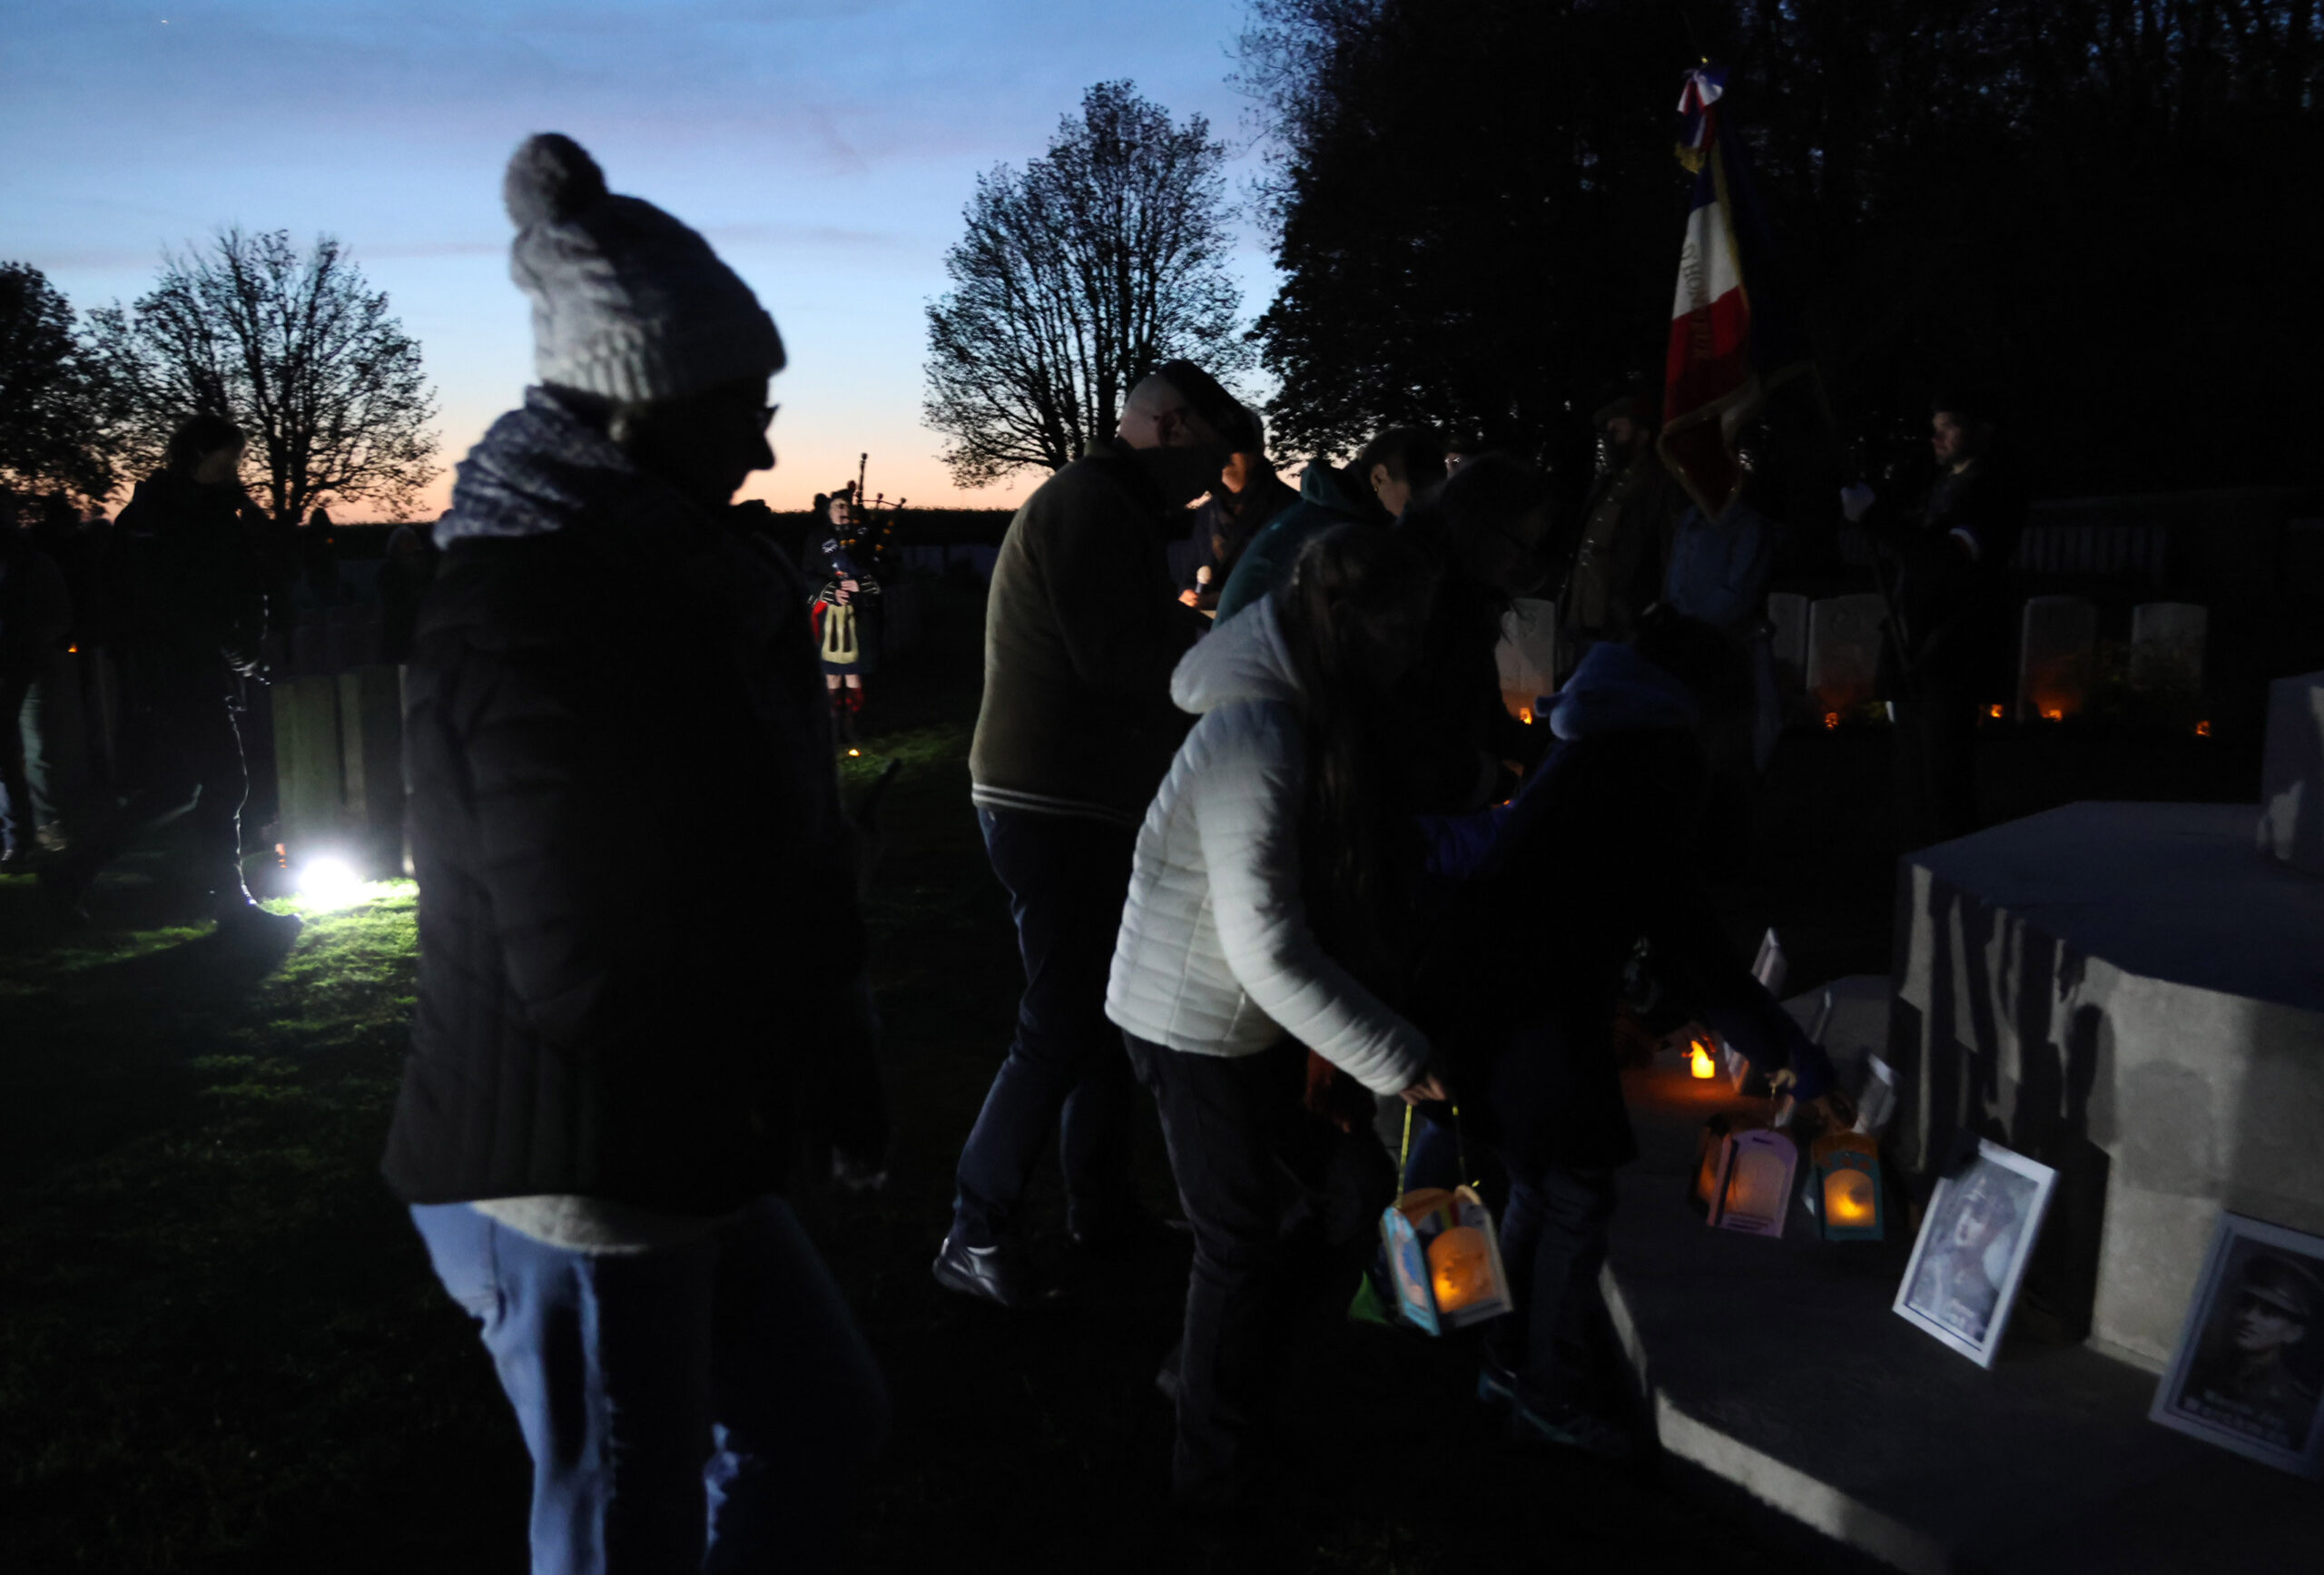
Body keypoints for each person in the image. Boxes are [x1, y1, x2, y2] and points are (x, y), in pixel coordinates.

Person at [380, 133, 886, 1574]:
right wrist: (791, 989)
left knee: (817, 1423)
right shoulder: (537, 609)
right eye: (741, 409)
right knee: (622, 1524)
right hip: (580, 1166)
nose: (766, 449)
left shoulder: (656, 579)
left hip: (674, 1133)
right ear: (638, 405)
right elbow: (591, 964)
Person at [1410, 607, 1833, 1458]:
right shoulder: (1651, 761)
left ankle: (1509, 1356)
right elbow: (1682, 931)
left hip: (1502, 994)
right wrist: (1785, 1048)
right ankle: (1549, 1382)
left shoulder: (1598, 734)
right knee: (1575, 1192)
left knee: (1541, 1185)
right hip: (1538, 999)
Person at [1107, 525, 1448, 1510]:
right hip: (1189, 1024)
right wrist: (1395, 1056)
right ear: (1345, 620)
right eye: (1401, 627)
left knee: (1345, 1191)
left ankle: (1215, 1373)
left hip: (1248, 1020)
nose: (1413, 649)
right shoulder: (1254, 735)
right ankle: (1212, 1467)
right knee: (1239, 1238)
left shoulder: (1309, 714)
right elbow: (1265, 945)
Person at [940, 359, 1250, 1307]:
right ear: (1171, 425)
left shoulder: (1107, 505)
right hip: (1049, 796)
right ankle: (974, 1229)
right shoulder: (1091, 504)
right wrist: (1226, 669)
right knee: (1063, 1017)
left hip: (1072, 794)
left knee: (1099, 1014)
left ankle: (1101, 1208)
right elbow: (1116, 660)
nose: (1209, 483)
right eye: (1210, 455)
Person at [41, 413, 293, 937]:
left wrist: (247, 637)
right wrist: (223, 641)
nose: (235, 467)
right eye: (228, 458)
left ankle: (69, 875)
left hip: (202, 666)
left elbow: (246, 582)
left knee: (174, 789)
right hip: (174, 669)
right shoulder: (152, 517)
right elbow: (155, 598)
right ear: (199, 454)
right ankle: (230, 902)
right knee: (225, 779)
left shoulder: (219, 512)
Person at [1842, 389, 2028, 849]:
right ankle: (1918, 866)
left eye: (1950, 426)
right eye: (1935, 427)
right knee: (1913, 781)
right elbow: (1913, 549)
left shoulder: (1991, 492)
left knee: (1945, 781)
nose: (1936, 437)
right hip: (1915, 648)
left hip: (1951, 652)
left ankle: (1952, 867)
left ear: (1982, 431)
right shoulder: (1942, 487)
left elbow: (1944, 559)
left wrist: (1875, 519)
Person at [1213, 425, 1442, 624]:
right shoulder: (1340, 536)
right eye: (1419, 495)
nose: (1424, 510)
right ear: (1379, 477)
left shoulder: (1322, 516)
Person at [1558, 389, 1679, 664]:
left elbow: (1668, 551)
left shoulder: (1659, 484)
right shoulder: (1604, 484)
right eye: (1607, 431)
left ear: (1642, 434)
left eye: (1618, 430)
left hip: (1623, 618)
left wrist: (1652, 609)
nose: (1609, 438)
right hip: (1583, 615)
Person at [2179, 1253, 2321, 1452]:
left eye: (2269, 1312)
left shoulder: (2300, 1408)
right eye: (2246, 1304)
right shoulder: (2194, 1373)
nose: (2249, 1317)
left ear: (2293, 1333)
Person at [1903, 1165, 2024, 1344]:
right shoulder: (1931, 1267)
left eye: (1976, 1216)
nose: (1964, 1222)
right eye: (1965, 1210)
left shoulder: (1985, 1295)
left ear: (1995, 1231)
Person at [1179, 445, 1297, 614]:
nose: (1225, 452)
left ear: (1256, 452)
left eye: (1236, 443)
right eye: (1219, 443)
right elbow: (1191, 574)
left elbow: (1293, 583)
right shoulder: (1207, 512)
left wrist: (1226, 600)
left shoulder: (1290, 508)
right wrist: (1188, 592)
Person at [808, 489, 881, 739]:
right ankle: (832, 727)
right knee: (831, 676)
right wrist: (830, 592)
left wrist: (862, 585)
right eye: (838, 506)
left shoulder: (865, 537)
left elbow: (885, 569)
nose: (843, 510)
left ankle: (853, 726)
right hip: (827, 617)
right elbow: (808, 574)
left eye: (847, 506)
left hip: (858, 615)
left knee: (853, 673)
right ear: (828, 512)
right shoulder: (817, 539)